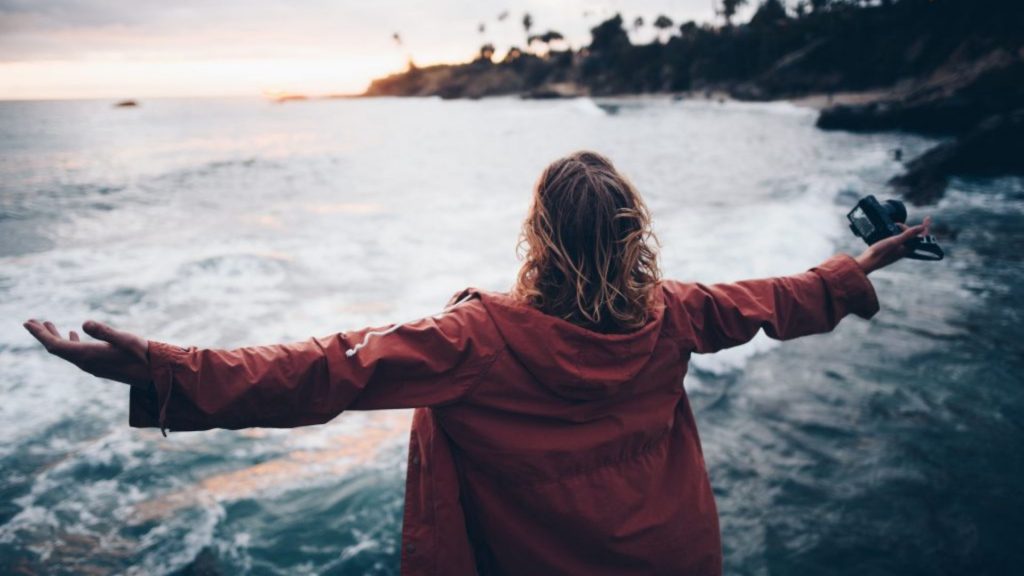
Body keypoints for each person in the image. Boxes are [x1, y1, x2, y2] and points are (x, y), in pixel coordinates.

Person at [24, 151, 930, 575]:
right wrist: (867, 263)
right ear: (632, 237)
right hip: (675, 557)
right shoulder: (674, 313)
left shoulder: (474, 341)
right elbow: (780, 297)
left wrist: (164, 367)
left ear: (539, 236)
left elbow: (320, 371)